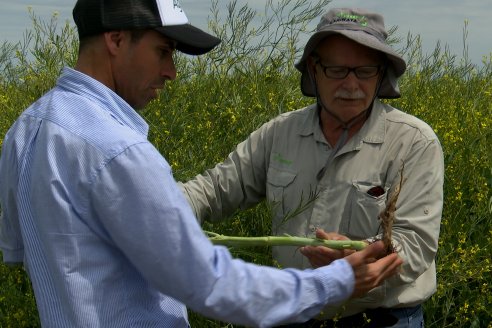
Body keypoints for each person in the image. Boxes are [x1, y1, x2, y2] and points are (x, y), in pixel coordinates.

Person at [0, 1, 404, 327]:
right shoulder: (119, 151)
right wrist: (334, 281)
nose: (171, 72)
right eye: (163, 51)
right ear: (116, 39)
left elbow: (21, 250)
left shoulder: (27, 128)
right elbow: (211, 283)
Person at [180, 7, 444, 328]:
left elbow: (414, 242)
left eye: (364, 71)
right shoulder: (280, 133)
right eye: (336, 69)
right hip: (297, 312)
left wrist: (354, 257)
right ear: (313, 70)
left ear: (381, 75)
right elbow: (214, 190)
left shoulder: (413, 141)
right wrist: (153, 202)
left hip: (380, 318)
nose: (351, 84)